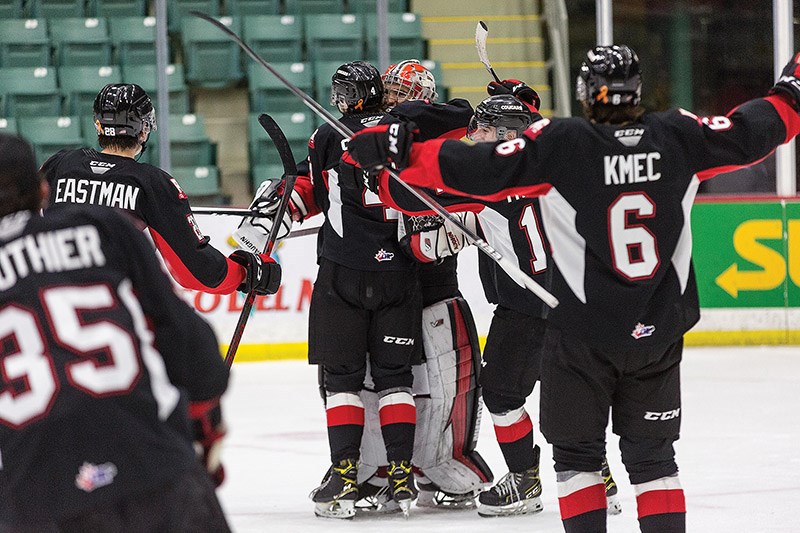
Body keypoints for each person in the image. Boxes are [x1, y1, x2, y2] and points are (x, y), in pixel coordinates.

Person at [346, 45, 800, 532]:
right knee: (654, 466)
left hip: (582, 334)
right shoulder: (678, 135)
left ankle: (529, 478)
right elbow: (761, 127)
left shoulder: (564, 144)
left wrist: (401, 153)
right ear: (638, 90)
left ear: (585, 92)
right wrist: (792, 89)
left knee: (578, 462)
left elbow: (474, 170)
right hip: (659, 335)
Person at [0, 133, 231, 531]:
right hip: (158, 476)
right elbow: (194, 351)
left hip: (39, 500)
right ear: (41, 189)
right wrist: (203, 429)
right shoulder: (104, 227)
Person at [236, 61, 421, 519]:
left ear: (346, 97)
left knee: (342, 381)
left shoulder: (326, 137)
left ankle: (344, 473)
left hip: (343, 273)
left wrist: (277, 209)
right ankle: (401, 473)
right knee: (395, 378)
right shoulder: (404, 130)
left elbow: (309, 190)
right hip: (400, 271)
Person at [347, 58, 494, 511]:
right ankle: (381, 470)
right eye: (388, 93)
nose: (393, 102)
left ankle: (447, 467)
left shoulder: (435, 134)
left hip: (433, 291)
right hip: (382, 288)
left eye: (403, 94)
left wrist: (447, 233)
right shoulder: (364, 138)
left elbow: (462, 112)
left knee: (446, 385)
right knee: (380, 383)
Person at [41, 83, 281, 297]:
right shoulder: (152, 184)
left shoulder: (60, 164)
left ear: (98, 125)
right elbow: (194, 272)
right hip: (111, 312)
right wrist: (245, 273)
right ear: (144, 130)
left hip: (46, 305)